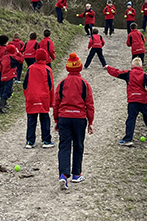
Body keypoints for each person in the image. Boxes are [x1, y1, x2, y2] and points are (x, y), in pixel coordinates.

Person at [54, 53, 95, 190]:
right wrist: (90, 122)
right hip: (79, 119)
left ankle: (64, 176)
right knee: (78, 145)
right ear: (80, 67)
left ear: (67, 68)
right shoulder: (84, 84)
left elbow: (56, 102)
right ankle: (76, 174)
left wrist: (56, 120)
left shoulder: (62, 83)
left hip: (64, 117)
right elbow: (89, 104)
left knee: (64, 146)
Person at [105, 57, 147, 146]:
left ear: (132, 65)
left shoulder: (128, 73)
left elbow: (117, 73)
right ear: (141, 66)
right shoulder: (144, 75)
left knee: (131, 119)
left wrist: (108, 67)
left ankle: (128, 139)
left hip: (133, 100)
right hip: (142, 100)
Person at [22, 49, 55, 149]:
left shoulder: (30, 68)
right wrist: (51, 101)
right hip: (43, 97)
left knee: (31, 119)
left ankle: (30, 141)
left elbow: (25, 85)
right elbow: (51, 86)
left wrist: (27, 96)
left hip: (32, 97)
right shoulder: (47, 69)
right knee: (45, 118)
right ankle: (46, 140)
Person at [0, 44, 24, 113]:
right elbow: (21, 60)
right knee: (8, 92)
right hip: (9, 76)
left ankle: (3, 104)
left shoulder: (4, 57)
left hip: (3, 76)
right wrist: (18, 52)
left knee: (4, 91)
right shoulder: (12, 57)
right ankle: (0, 107)